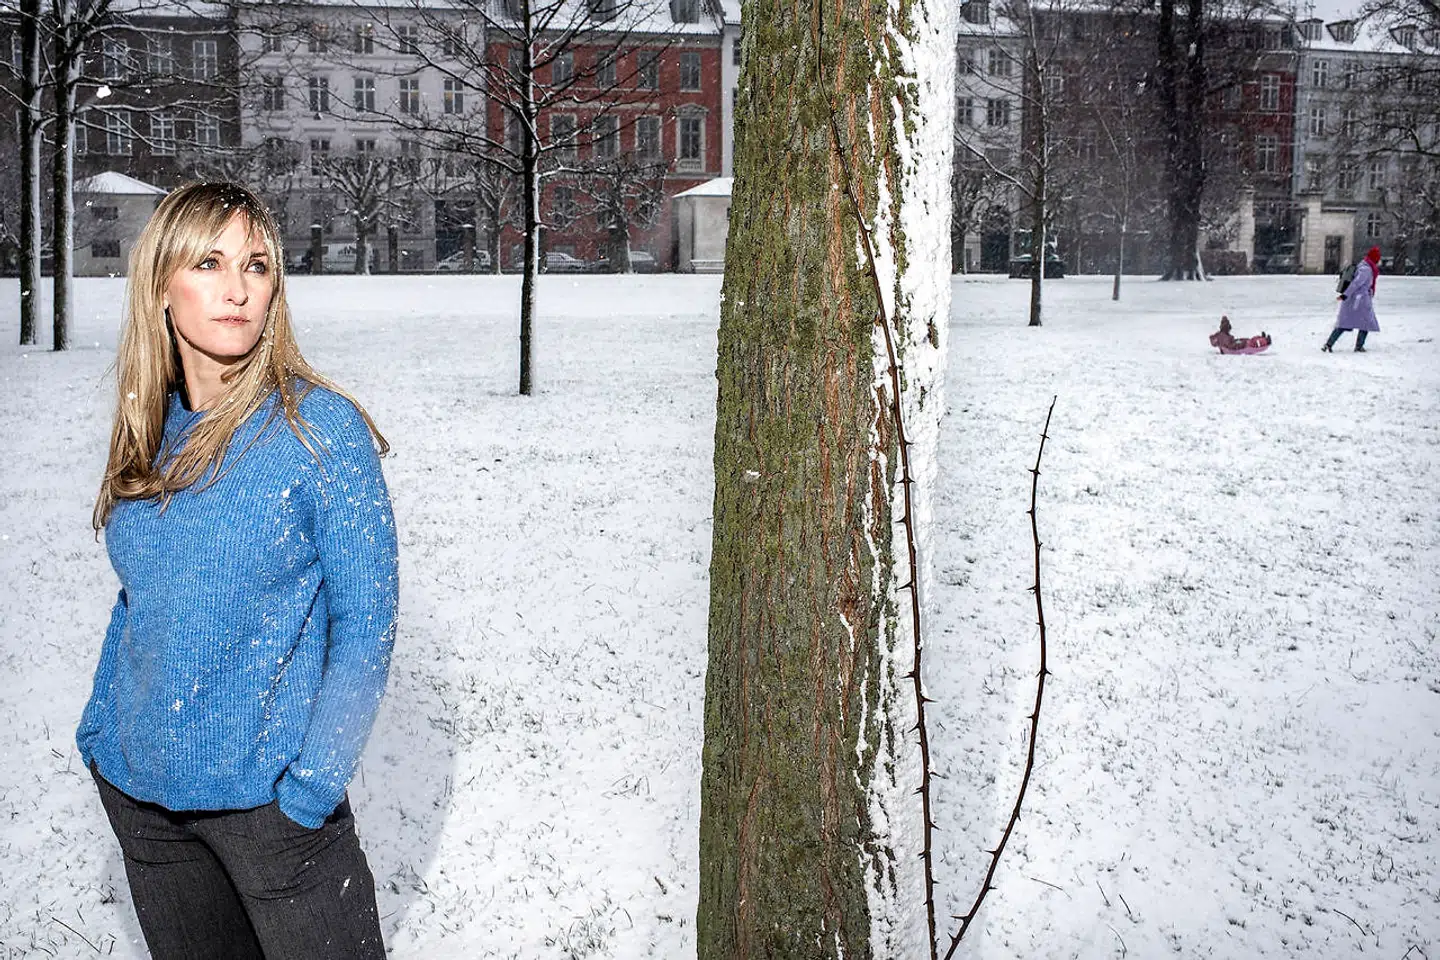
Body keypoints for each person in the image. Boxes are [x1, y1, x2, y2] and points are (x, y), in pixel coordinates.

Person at [76, 181, 399, 960]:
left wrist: (312, 789)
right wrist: (100, 732)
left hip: (275, 818)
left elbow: (366, 628)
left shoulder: (318, 430)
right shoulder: (150, 426)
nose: (238, 288)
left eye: (256, 265)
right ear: (161, 285)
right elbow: (139, 599)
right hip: (147, 812)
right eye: (209, 263)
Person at [1324, 246, 1381, 352]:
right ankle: (1358, 346)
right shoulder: (1367, 269)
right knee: (1365, 323)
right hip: (1359, 301)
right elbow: (1356, 283)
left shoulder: (1363, 266)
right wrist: (1345, 295)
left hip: (1356, 300)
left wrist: (1346, 295)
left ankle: (1329, 344)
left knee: (1345, 323)